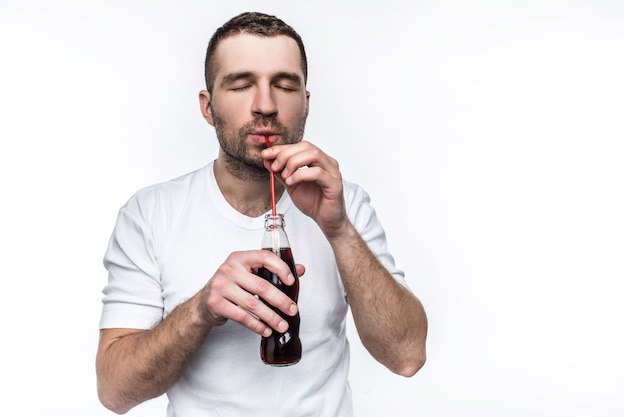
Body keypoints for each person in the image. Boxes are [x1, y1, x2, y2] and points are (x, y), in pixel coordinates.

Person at [96, 11, 427, 417]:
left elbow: (407, 356)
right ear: (208, 106)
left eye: (284, 85)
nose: (266, 106)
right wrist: (201, 310)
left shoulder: (346, 204)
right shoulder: (150, 215)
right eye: (241, 84)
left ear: (305, 103)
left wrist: (339, 231)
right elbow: (114, 392)